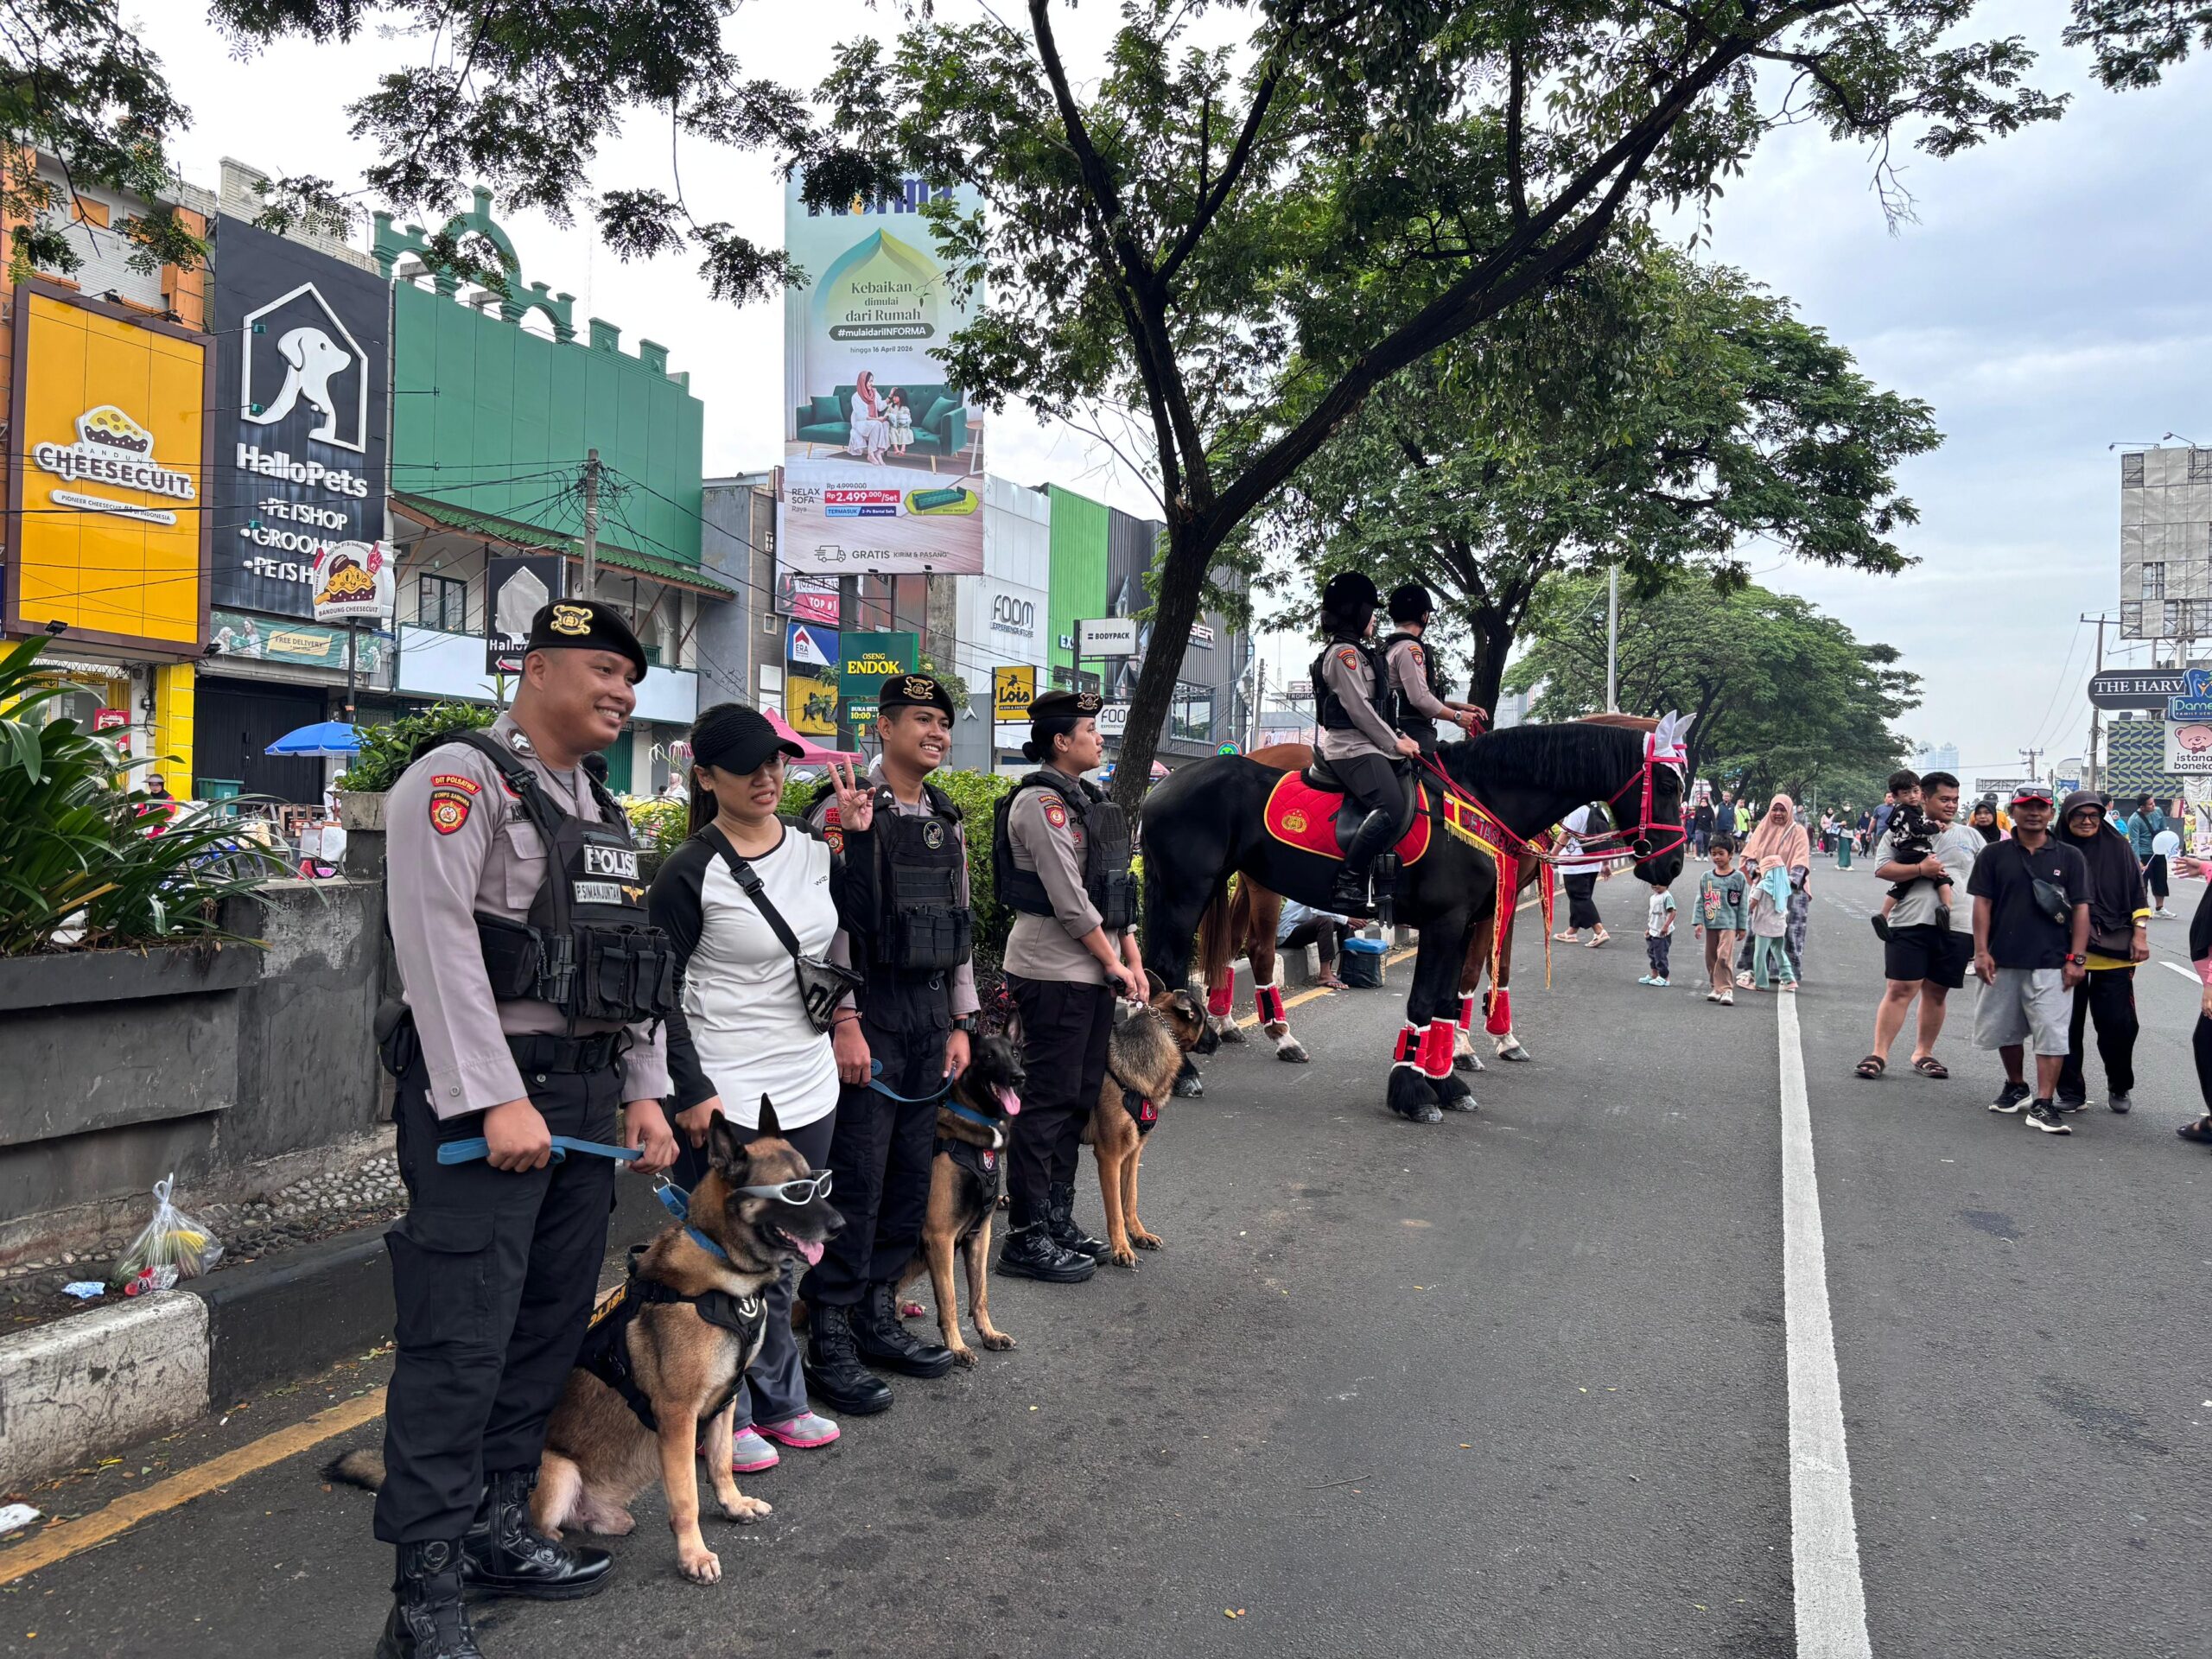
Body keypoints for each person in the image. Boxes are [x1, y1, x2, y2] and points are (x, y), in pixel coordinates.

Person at [374, 600, 681, 1659]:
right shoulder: (459, 782)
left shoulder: (602, 810)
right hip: (489, 1105)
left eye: (631, 680)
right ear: (536, 667)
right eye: (602, 669)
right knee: (459, 1339)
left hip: (587, 1104)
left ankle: (504, 1528)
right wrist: (490, 1092)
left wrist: (644, 1087)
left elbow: (630, 960)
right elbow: (436, 944)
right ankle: (423, 1593)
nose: (621, 693)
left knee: (544, 1326)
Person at [648, 704, 875, 1475]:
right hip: (725, 1088)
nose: (768, 776)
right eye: (748, 765)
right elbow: (661, 992)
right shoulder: (689, 871)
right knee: (716, 1260)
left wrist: (862, 838)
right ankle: (725, 1413)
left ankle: (780, 1398)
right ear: (705, 778)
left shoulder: (816, 851)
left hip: (806, 1079)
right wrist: (689, 1088)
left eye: (778, 761)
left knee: (789, 1251)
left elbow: (862, 928)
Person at [798, 675, 978, 1414]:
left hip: (929, 1018)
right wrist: (843, 1019)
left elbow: (962, 924)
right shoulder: (840, 811)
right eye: (922, 721)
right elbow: (827, 922)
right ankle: (831, 1337)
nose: (936, 733)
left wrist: (963, 1022)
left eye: (942, 722)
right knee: (860, 1177)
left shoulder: (946, 816)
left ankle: (876, 1315)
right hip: (868, 1014)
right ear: (885, 728)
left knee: (908, 1178)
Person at [989, 688, 1144, 1284]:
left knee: (1078, 1098)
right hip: (1053, 970)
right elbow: (1070, 901)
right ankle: (1026, 1236)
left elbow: (1112, 893)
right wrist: (1113, 963)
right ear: (1061, 740)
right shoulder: (1040, 803)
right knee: (1047, 1103)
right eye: (1089, 729)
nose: (1099, 738)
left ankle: (1056, 1217)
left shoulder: (1090, 800)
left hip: (1093, 971)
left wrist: (1129, 957)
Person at [1969, 784, 2090, 1135]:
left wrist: (2077, 959)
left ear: (2051, 813)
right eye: (2026, 806)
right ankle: (2016, 1085)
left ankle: (2044, 1102)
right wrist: (1980, 951)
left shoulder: (2069, 857)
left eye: (2041, 807)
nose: (2034, 812)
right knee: (2005, 1028)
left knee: (2051, 1032)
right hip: (2002, 958)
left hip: (2053, 960)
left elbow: (2082, 908)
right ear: (2014, 811)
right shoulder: (1993, 855)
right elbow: (1982, 905)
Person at [1311, 570, 1421, 914]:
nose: (1375, 617)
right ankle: (1349, 882)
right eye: (1370, 610)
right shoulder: (1344, 655)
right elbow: (1358, 710)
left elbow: (1377, 710)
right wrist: (1394, 743)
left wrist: (1400, 736)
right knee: (1391, 806)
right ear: (1356, 613)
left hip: (1369, 744)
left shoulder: (1360, 652)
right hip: (1350, 748)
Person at [1858, 771, 1979, 1081]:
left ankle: (1923, 1053)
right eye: (1944, 799)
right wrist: (1920, 868)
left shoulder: (1970, 836)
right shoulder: (1900, 830)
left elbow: (1990, 881)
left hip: (1958, 924)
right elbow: (1883, 869)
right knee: (1900, 988)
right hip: (1909, 921)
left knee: (1937, 992)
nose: (1951, 805)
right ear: (1924, 797)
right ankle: (1879, 1053)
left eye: (1955, 800)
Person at [2054, 791, 2148, 1114]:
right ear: (2066, 817)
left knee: (2119, 1025)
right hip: (2064, 952)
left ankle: (2119, 1083)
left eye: (2093, 815)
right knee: (2066, 1026)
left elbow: (2138, 892)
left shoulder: (2118, 847)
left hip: (2113, 950)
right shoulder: (2053, 849)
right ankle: (2070, 1091)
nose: (2087, 821)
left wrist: (2140, 934)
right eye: (2079, 815)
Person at [1376, 583, 1485, 755]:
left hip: (1396, 725)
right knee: (1441, 777)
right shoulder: (1410, 649)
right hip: (1412, 730)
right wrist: (1456, 716)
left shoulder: (1390, 647)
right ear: (1424, 616)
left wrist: (1457, 706)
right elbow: (1419, 699)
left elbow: (1407, 699)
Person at [1738, 794, 1813, 984]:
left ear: (1790, 812)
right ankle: (1756, 967)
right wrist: (1761, 876)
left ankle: (1786, 972)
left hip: (1792, 890)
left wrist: (1784, 882)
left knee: (1789, 932)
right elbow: (1749, 857)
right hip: (1764, 887)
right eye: (1775, 809)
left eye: (1783, 810)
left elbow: (1800, 860)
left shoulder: (1798, 832)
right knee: (1758, 927)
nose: (1778, 813)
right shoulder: (1762, 829)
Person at [1694, 836, 1747, 1005]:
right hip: (1711, 924)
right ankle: (1716, 987)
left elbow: (1742, 903)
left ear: (1731, 854)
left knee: (1724, 956)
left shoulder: (1738, 878)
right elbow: (1700, 899)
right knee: (1710, 957)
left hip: (1729, 924)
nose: (1717, 857)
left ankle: (1726, 990)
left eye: (1721, 853)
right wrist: (1699, 922)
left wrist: (1742, 926)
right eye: (1713, 854)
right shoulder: (1706, 877)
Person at [1870, 770, 1922, 941]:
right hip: (1913, 850)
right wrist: (1934, 827)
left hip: (1901, 847)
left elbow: (1891, 824)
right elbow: (1916, 829)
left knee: (1901, 885)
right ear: (1895, 796)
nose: (1913, 796)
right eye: (1906, 793)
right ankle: (1946, 909)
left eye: (1916, 791)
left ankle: (1883, 914)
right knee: (1941, 878)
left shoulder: (1899, 810)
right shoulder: (1910, 811)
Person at [1552, 803, 1611, 947]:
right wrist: (1605, 863)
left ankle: (1599, 931)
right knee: (1581, 898)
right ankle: (1571, 932)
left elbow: (1565, 835)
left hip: (1575, 863)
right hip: (1592, 863)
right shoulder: (1600, 810)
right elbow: (1604, 838)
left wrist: (1552, 855)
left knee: (1579, 898)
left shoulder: (1576, 810)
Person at [1747, 859, 1799, 992]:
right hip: (1780, 925)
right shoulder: (1784, 884)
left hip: (1764, 926)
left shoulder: (1763, 885)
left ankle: (1760, 982)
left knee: (1760, 954)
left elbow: (1752, 903)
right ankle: (1789, 979)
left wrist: (1743, 913)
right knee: (1779, 952)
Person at [1277, 897, 1350, 990]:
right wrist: (1347, 919)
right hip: (1287, 934)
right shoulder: (1313, 884)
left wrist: (1348, 920)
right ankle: (1325, 974)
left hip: (1303, 928)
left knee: (1346, 923)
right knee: (1326, 921)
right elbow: (1317, 909)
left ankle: (1346, 971)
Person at [846, 369, 893, 464]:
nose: (872, 383)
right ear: (863, 381)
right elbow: (861, 416)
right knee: (877, 424)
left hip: (873, 421)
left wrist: (890, 396)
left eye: (872, 381)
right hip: (861, 423)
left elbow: (880, 406)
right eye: (870, 381)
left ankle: (879, 452)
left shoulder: (874, 393)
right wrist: (877, 419)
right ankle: (871, 454)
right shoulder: (856, 397)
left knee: (886, 424)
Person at [1638, 879, 1675, 988]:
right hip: (1653, 931)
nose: (1655, 885)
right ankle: (1654, 975)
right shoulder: (1653, 897)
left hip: (1662, 933)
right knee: (1652, 953)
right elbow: (1652, 915)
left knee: (1660, 955)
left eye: (1659, 883)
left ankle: (1665, 977)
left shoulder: (1666, 897)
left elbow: (1673, 912)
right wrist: (1649, 928)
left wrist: (1666, 926)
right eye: (1653, 883)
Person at [2151, 818, 2181, 918]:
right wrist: (2138, 858)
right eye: (2150, 804)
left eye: (2153, 803)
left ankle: (2160, 908)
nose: (2153, 806)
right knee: (2142, 882)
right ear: (2142, 806)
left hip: (2160, 851)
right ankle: (2141, 908)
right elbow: (2134, 839)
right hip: (2144, 852)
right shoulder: (2135, 819)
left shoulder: (2158, 813)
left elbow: (2164, 831)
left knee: (2161, 880)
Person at [885, 387, 914, 457]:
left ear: (901, 397)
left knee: (903, 430)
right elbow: (886, 414)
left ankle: (903, 448)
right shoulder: (891, 406)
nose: (894, 398)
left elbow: (909, 419)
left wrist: (906, 420)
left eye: (896, 396)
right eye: (893, 396)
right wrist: (888, 416)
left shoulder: (905, 408)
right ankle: (896, 449)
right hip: (893, 426)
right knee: (892, 430)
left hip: (902, 427)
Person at [1691, 796, 1715, 860]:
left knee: (1706, 843)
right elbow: (1695, 820)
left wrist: (1715, 830)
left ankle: (1705, 856)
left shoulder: (1710, 810)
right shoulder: (1698, 809)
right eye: (1702, 801)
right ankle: (1698, 856)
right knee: (1699, 840)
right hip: (1699, 827)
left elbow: (1713, 820)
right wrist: (1693, 830)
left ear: (1707, 802)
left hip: (1707, 828)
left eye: (1704, 801)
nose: (1703, 802)